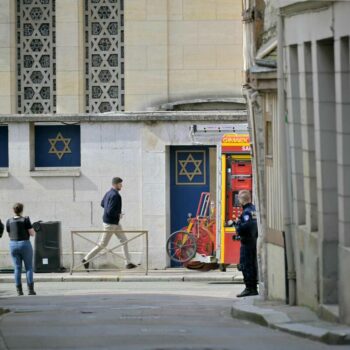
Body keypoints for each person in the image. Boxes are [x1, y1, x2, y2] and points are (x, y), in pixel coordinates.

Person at [82, 177, 137, 270]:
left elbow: (102, 204)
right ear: (115, 184)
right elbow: (110, 212)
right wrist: (119, 213)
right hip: (111, 223)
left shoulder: (108, 193)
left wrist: (113, 211)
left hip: (114, 223)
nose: (121, 186)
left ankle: (128, 263)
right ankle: (86, 259)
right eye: (120, 184)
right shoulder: (116, 195)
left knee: (124, 241)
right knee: (103, 244)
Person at [6, 203, 36, 296]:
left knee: (17, 268)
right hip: (24, 244)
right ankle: (30, 290)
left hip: (13, 244)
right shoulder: (25, 219)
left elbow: (9, 233)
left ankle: (19, 291)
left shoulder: (9, 221)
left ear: (13, 210)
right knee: (29, 267)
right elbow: (32, 234)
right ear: (22, 210)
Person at [233, 190, 258, 297]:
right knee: (251, 265)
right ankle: (252, 288)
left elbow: (245, 227)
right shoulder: (253, 210)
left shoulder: (246, 212)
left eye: (239, 199)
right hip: (253, 241)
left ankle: (250, 288)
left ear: (242, 200)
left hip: (247, 242)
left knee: (246, 265)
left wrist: (237, 224)